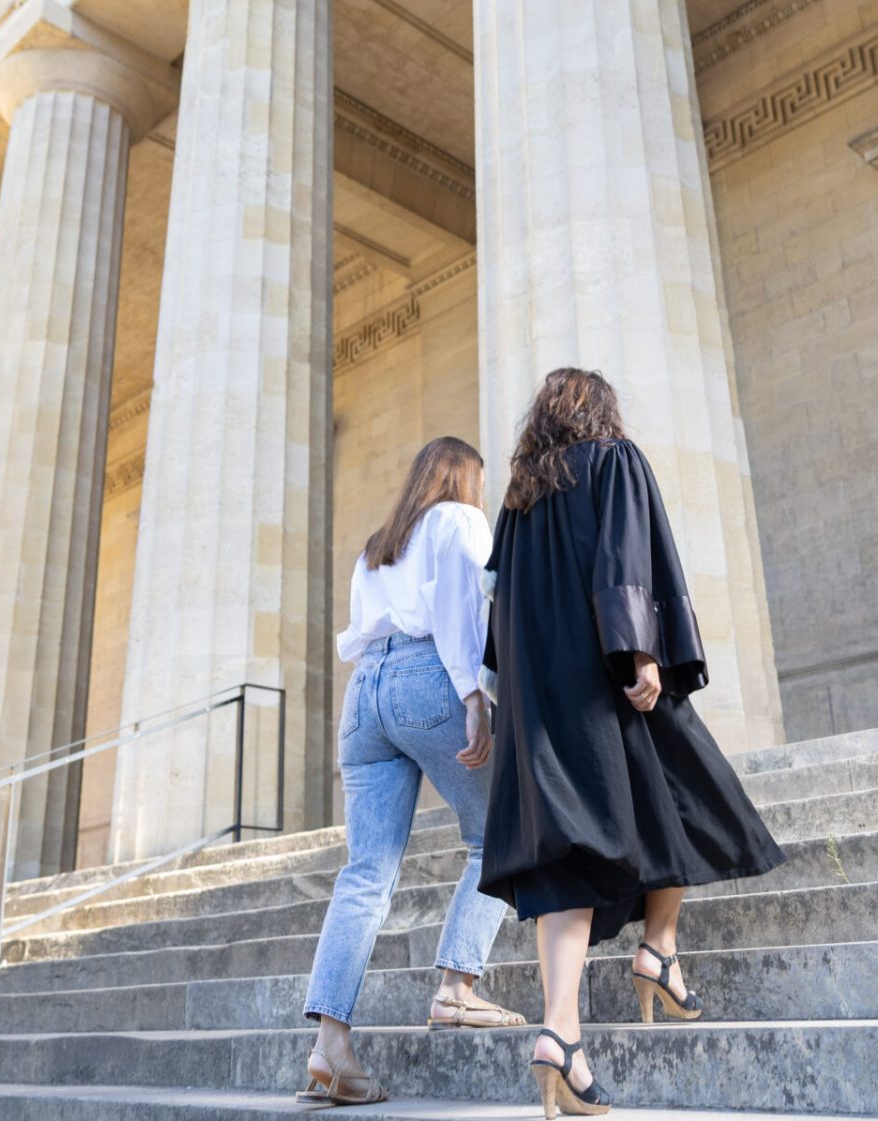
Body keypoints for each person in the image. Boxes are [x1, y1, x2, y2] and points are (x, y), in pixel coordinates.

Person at [478, 368, 785, 1118]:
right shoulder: (613, 459)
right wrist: (639, 651)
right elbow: (625, 560)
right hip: (605, 680)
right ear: (600, 410)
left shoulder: (520, 499)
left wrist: (494, 700)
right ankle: (659, 945)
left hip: (540, 699)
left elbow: (498, 604)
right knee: (692, 791)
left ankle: (562, 1031)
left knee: (570, 857)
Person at [299, 436, 525, 1106]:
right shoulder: (458, 520)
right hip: (428, 679)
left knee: (365, 872)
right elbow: (462, 613)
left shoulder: (376, 546)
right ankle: (457, 988)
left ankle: (329, 1045)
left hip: (364, 694)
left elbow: (365, 632)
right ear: (463, 479)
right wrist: (473, 700)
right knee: (499, 833)